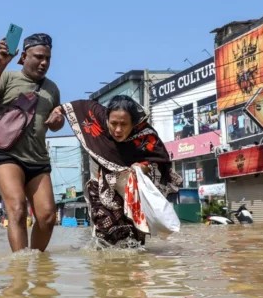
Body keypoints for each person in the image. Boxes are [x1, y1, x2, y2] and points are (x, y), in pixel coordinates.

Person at [0, 33, 64, 252]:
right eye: (38, 57)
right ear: (24, 57)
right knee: (17, 209)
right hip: (5, 154)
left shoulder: (52, 89)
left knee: (47, 217)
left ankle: (37, 262)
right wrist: (0, 65)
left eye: (48, 58)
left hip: (37, 158)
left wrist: (58, 121)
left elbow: (55, 125)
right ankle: (20, 266)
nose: (44, 63)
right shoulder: (7, 77)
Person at [59, 95, 180, 246]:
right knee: (105, 232)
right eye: (113, 123)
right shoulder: (97, 118)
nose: (118, 130)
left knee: (134, 239)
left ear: (133, 123)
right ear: (107, 119)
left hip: (130, 188)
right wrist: (58, 110)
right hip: (100, 185)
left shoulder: (146, 135)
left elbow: (159, 161)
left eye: (124, 124)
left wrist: (143, 167)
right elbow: (78, 106)